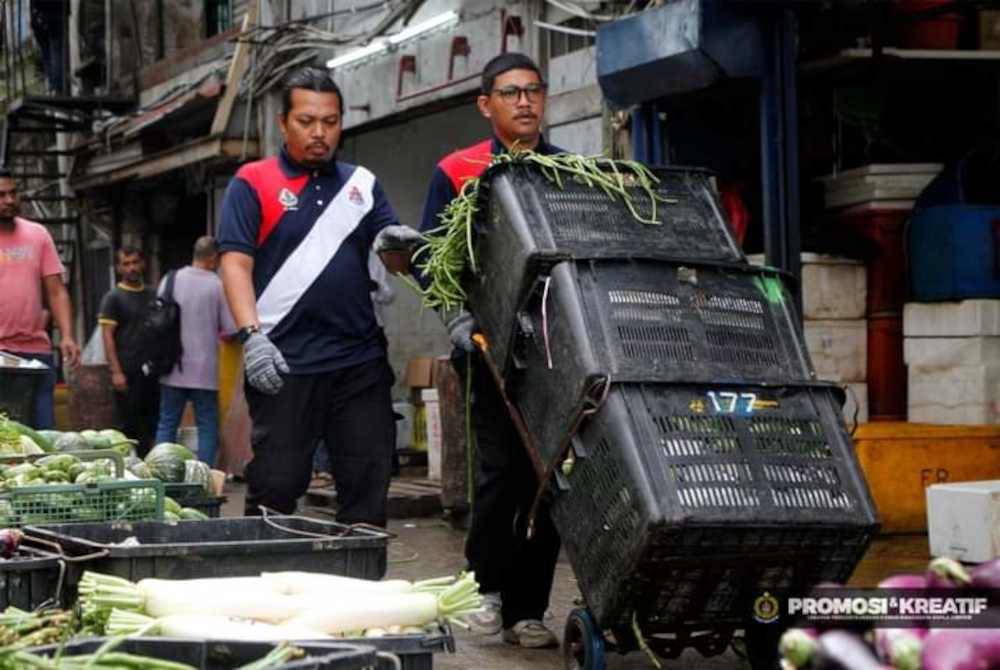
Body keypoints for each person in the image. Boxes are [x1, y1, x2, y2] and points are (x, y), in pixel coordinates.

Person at [218, 66, 416, 525]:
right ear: (283, 123)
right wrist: (253, 338)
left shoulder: (361, 184)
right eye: (307, 121)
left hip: (359, 363)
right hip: (284, 363)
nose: (319, 132)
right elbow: (235, 263)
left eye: (330, 121)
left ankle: (361, 590)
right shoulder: (253, 182)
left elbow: (392, 259)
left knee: (368, 488)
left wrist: (401, 247)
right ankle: (267, 587)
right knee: (277, 486)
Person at [417, 53, 562, 649]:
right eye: (510, 92)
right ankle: (486, 591)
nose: (524, 101)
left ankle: (529, 610)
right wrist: (456, 316)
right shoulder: (457, 170)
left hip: (555, 356)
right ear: (486, 104)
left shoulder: (566, 171)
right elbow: (429, 259)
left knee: (546, 480)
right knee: (499, 474)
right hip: (484, 351)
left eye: (533, 91)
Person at [0, 168, 80, 427]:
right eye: (1, 195)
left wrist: (67, 335)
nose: (10, 201)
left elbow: (56, 291)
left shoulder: (38, 235)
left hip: (36, 353)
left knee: (43, 435)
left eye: (13, 193)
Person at [153, 236, 236, 466]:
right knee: (207, 426)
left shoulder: (170, 279)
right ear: (213, 258)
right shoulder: (217, 285)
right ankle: (204, 476)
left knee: (167, 423)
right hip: (205, 371)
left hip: (171, 365)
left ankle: (161, 470)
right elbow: (230, 328)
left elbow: (156, 318)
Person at [99, 247, 159, 455]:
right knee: (129, 424)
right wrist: (116, 372)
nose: (131, 267)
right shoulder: (113, 298)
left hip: (151, 371)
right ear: (118, 268)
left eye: (135, 262)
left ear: (142, 264)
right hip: (127, 370)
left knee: (151, 421)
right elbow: (107, 336)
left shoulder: (153, 294)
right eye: (126, 263)